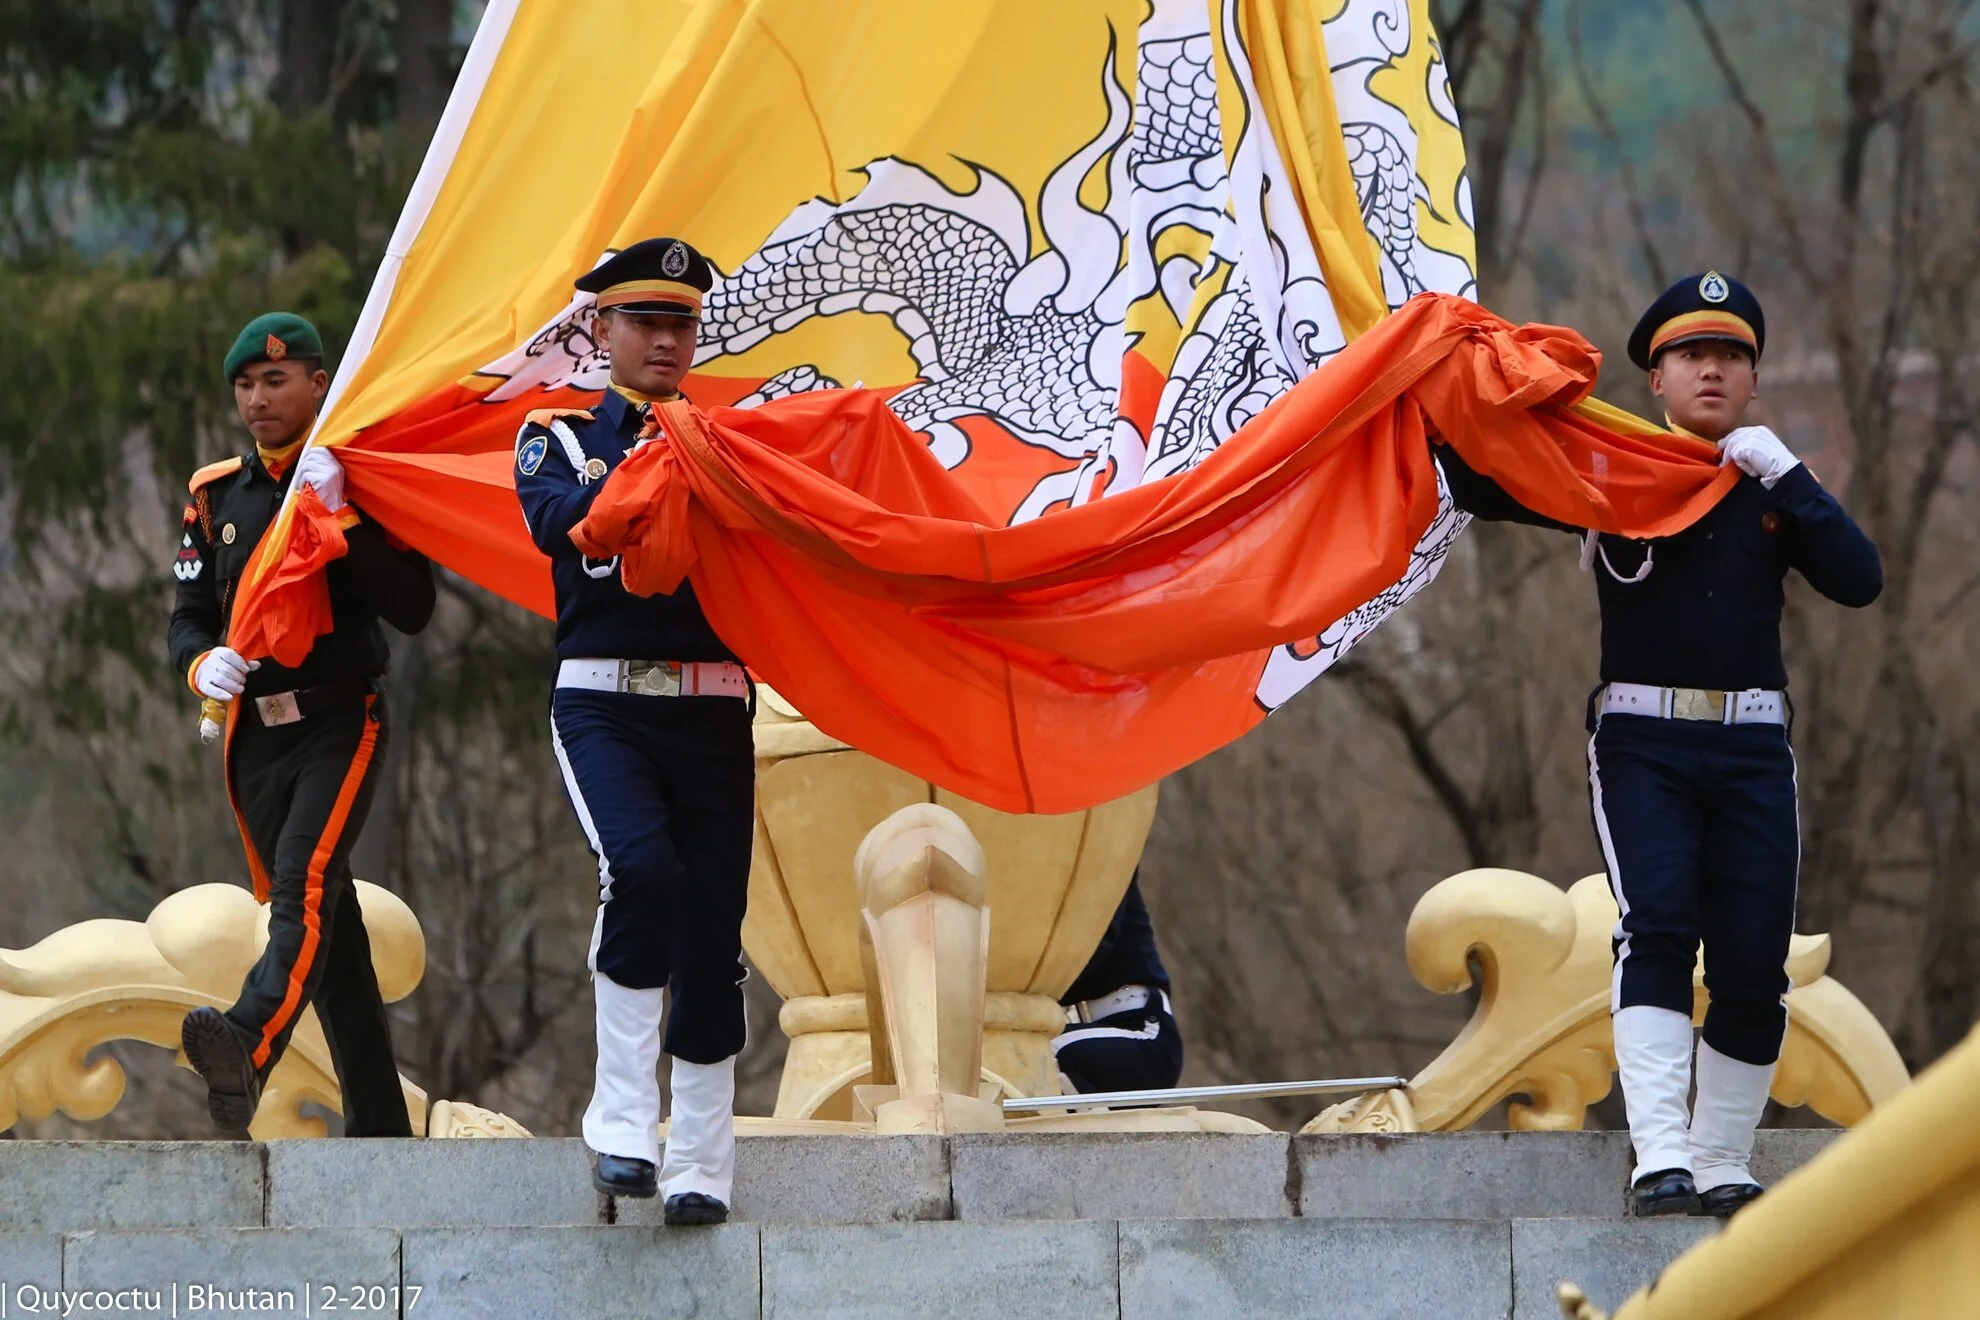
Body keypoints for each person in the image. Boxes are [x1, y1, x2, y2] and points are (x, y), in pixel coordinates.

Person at [1433, 272, 1882, 1218]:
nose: (1711, 370)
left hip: (1755, 744)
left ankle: (1722, 1159)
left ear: (1754, 380)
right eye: (1691, 355)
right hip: (1644, 740)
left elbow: (1859, 578)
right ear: (1657, 379)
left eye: (1731, 356)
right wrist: (1442, 386)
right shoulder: (1613, 472)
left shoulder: (1768, 484)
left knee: (1757, 959)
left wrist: (1789, 477)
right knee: (1662, 924)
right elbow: (1478, 474)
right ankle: (1662, 1153)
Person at [515, 237, 752, 1226]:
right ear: (601, 329)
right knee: (641, 874)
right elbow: (563, 522)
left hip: (712, 705)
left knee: (713, 936)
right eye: (646, 321)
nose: (665, 339)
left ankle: (701, 1161)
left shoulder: (734, 442)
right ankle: (621, 1123)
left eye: (682, 324)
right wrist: (667, 459)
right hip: (606, 700)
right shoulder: (560, 436)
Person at [169, 313, 436, 1135]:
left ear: (319, 385)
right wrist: (199, 664)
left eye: (276, 381)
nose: (257, 399)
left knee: (302, 884)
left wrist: (343, 516)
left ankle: (249, 1042)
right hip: (257, 735)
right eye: (245, 385)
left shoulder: (357, 478)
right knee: (337, 937)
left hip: (338, 719)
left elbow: (414, 608)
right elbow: (187, 616)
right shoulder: (217, 496)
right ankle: (382, 1127)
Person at [1054, 876, 1184, 1094]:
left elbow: (1100, 942)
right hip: (1106, 1030)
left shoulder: (1110, 863)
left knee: (1036, 1054)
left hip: (1144, 1033)